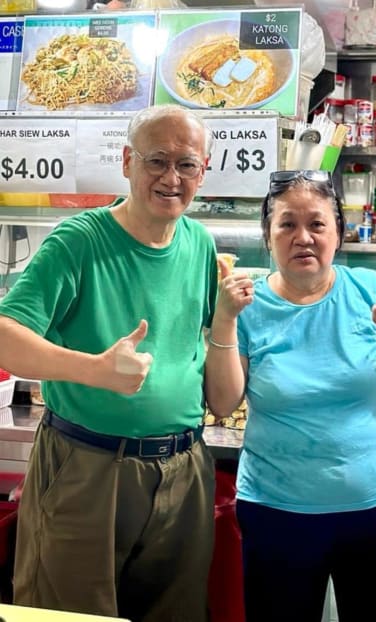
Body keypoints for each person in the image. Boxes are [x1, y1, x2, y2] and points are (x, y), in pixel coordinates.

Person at [0, 104, 218, 621]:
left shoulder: (200, 243)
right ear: (127, 162)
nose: (171, 178)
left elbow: (204, 343)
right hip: (88, 467)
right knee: (69, 612)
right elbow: (5, 336)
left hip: (183, 470)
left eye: (186, 165)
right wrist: (93, 370)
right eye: (156, 161)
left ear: (203, 171)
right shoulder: (79, 241)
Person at [205, 169, 376, 622]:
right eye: (287, 224)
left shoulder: (367, 290)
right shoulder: (247, 305)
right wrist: (223, 319)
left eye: (317, 224)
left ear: (337, 233)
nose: (303, 237)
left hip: (375, 505)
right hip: (277, 511)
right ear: (268, 235)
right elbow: (222, 403)